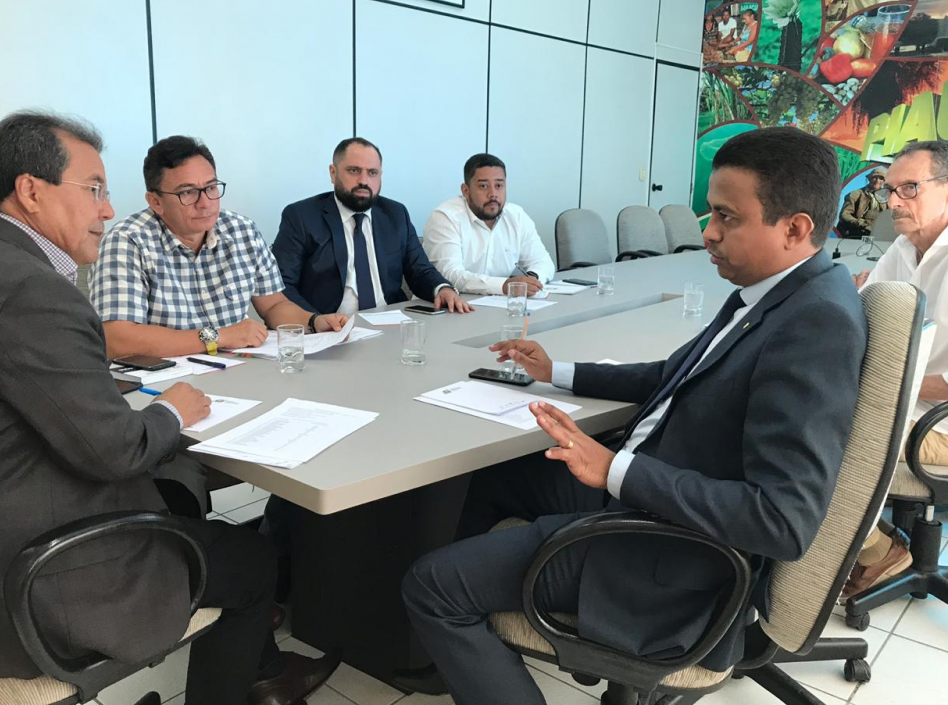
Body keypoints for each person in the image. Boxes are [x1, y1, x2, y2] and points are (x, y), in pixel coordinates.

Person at [400, 127, 867, 705]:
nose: (708, 231)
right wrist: (557, 370)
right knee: (497, 476)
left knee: (430, 586)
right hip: (653, 495)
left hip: (667, 554)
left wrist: (615, 469)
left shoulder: (816, 325)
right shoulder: (777, 291)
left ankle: (457, 615)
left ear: (794, 229)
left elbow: (782, 521)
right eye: (711, 213)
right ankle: (467, 646)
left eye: (727, 217)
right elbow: (675, 374)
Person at [0, 111, 339, 705]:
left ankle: (257, 663)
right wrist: (172, 412)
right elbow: (118, 450)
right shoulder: (34, 292)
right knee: (253, 561)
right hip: (34, 577)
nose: (107, 209)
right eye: (94, 189)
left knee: (180, 503)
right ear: (30, 190)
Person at [90, 135, 347, 362]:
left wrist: (313, 322)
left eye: (211, 188)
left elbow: (274, 305)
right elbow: (117, 340)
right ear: (156, 202)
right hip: (167, 381)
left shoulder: (242, 230)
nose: (205, 203)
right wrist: (218, 337)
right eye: (188, 192)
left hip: (238, 370)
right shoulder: (126, 242)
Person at [842, 142, 948, 599]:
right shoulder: (904, 248)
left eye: (910, 188)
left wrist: (885, 385)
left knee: (826, 429)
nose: (893, 201)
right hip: (908, 406)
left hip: (939, 422)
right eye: (889, 190)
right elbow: (864, 318)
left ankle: (878, 551)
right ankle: (855, 538)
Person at [271, 137, 472, 315]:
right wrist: (313, 321)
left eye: (372, 173)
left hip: (389, 323)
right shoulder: (301, 217)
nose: (363, 181)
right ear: (333, 173)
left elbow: (419, 270)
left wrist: (442, 289)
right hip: (328, 328)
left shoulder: (395, 214)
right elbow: (281, 285)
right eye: (354, 171)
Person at [422, 153, 555, 296]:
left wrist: (532, 280)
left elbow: (543, 261)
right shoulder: (445, 217)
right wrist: (504, 286)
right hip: (447, 303)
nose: (493, 194)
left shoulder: (516, 216)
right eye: (483, 186)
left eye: (499, 185)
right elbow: (450, 275)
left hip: (498, 304)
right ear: (466, 191)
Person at [839, 167, 889, 239]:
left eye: (881, 178)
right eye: (874, 177)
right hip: (856, 233)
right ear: (869, 179)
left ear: (884, 181)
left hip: (878, 234)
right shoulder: (855, 194)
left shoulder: (887, 198)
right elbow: (844, 215)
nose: (877, 181)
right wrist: (862, 224)